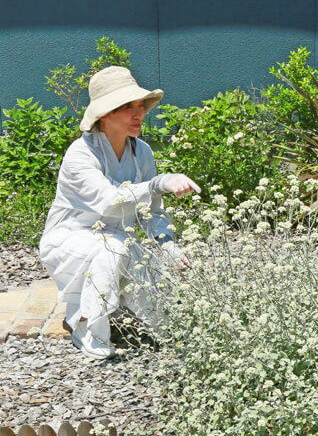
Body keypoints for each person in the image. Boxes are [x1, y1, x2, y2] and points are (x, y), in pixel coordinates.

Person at [40, 66, 200, 359]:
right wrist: (159, 183)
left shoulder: (143, 152)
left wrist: (169, 248)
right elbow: (108, 202)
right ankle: (87, 328)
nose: (138, 114)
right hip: (69, 239)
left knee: (166, 309)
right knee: (112, 251)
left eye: (140, 106)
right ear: (105, 114)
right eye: (127, 107)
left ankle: (172, 330)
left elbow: (151, 211)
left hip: (115, 239)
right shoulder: (80, 154)